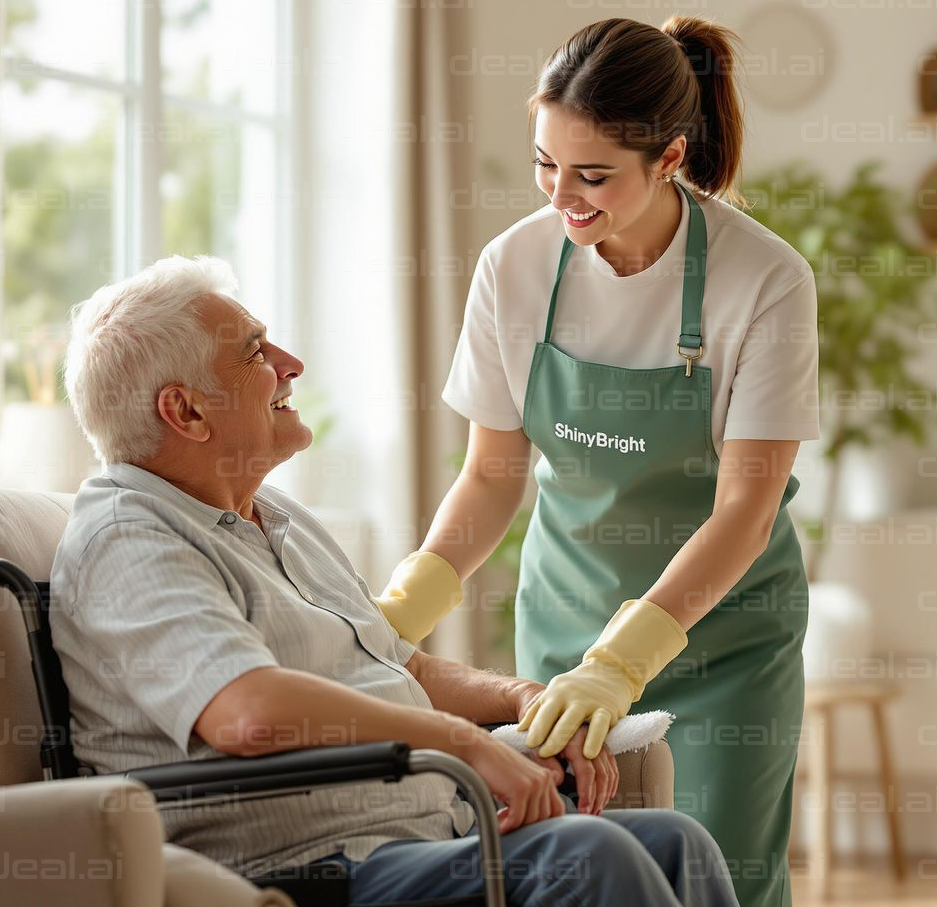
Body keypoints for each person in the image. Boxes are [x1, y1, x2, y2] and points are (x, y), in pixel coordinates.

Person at [51, 255, 740, 907]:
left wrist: (522, 699)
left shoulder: (276, 515)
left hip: (422, 835)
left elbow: (399, 662)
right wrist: (464, 742)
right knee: (584, 855)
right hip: (314, 864)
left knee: (680, 843)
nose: (292, 365)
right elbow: (246, 714)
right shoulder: (128, 537)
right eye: (257, 353)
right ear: (186, 412)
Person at [373, 16, 821, 907]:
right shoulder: (516, 265)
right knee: (584, 870)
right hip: (564, 635)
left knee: (720, 869)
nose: (561, 197)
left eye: (592, 175)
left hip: (723, 638)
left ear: (669, 158)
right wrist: (397, 614)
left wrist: (624, 663)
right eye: (546, 164)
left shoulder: (763, 279)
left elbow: (746, 508)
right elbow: (495, 471)